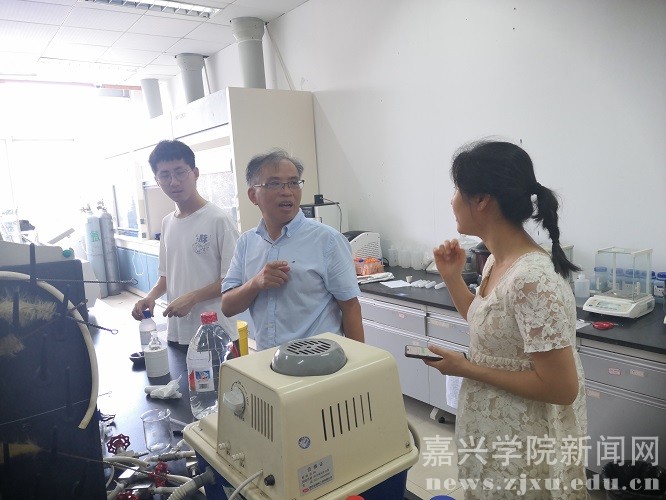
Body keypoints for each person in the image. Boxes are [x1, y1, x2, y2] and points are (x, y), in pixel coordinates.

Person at [427, 140, 588, 499]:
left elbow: (562, 388)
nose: (452, 200)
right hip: (494, 428)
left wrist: (467, 368)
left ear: (482, 199)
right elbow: (486, 322)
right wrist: (452, 278)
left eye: (457, 190)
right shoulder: (496, 261)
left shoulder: (532, 279)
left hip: (526, 439)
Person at [220, 149, 364, 350]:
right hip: (267, 360)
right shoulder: (246, 242)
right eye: (274, 184)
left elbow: (351, 308)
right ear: (253, 195)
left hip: (320, 361)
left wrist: (358, 364)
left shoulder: (328, 240)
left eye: (294, 183)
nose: (287, 191)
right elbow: (227, 306)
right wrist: (256, 283)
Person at [131, 140, 240, 348]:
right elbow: (166, 276)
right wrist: (150, 297)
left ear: (195, 173)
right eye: (165, 175)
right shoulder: (167, 223)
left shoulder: (219, 220)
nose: (174, 182)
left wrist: (194, 297)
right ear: (157, 180)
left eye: (180, 172)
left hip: (216, 334)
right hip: (177, 332)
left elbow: (233, 281)